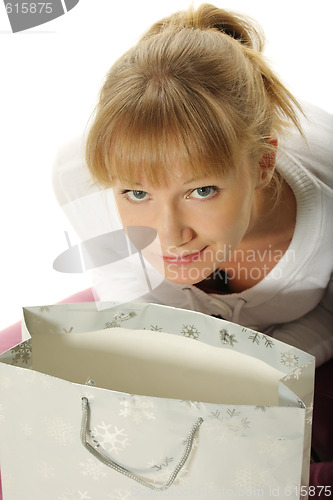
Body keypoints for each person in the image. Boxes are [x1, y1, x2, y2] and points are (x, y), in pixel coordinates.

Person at [52, 3, 333, 490]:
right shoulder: (84, 176)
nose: (169, 234)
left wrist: (253, 374)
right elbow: (129, 306)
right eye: (137, 194)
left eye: (201, 190)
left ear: (263, 166)